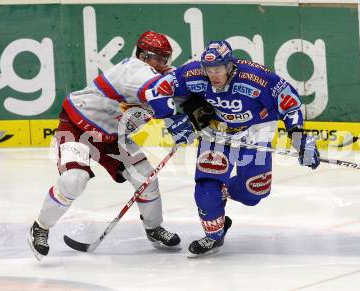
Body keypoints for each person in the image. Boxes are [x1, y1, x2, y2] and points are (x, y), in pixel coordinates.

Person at [145, 40, 320, 257]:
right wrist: (172, 119)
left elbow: (289, 102)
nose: (212, 75)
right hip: (215, 134)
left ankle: (225, 190)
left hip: (255, 132)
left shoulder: (256, 77)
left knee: (254, 191)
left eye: (217, 69)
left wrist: (299, 138)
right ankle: (215, 236)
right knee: (207, 191)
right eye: (209, 70)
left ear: (229, 66)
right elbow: (154, 90)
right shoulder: (193, 74)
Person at [28, 31, 181, 261]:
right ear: (141, 54)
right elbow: (159, 94)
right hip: (77, 127)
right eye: (155, 58)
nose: (160, 64)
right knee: (73, 180)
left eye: (164, 60)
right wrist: (179, 107)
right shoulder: (134, 69)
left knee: (146, 177)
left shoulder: (161, 76)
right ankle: (40, 227)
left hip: (113, 138)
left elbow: (176, 93)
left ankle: (154, 228)